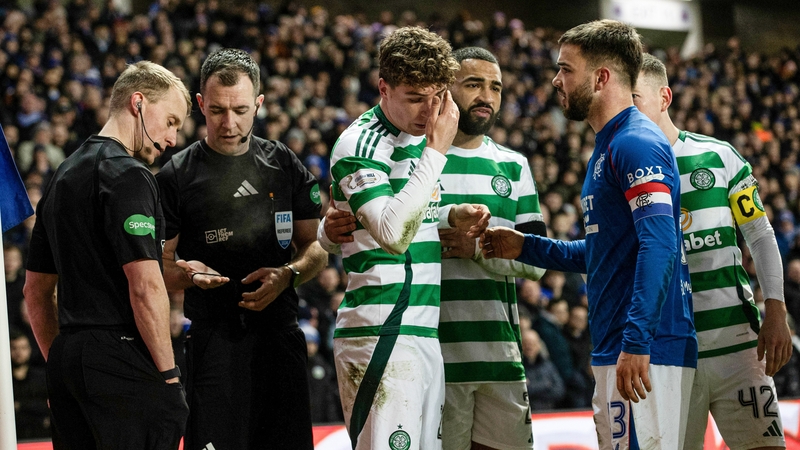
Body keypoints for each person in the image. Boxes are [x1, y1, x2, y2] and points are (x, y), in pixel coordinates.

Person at [479, 20, 697, 450]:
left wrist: (637, 341)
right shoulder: (609, 145)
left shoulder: (635, 142)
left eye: (566, 69)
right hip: (623, 346)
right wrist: (528, 247)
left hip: (643, 350)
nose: (556, 81)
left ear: (601, 78)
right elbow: (607, 252)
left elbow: (660, 244)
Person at [322, 46, 547, 450]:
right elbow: (392, 234)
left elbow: (409, 213)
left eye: (435, 98)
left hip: (424, 333)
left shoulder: (416, 141)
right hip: (383, 328)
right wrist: (438, 150)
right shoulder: (364, 143)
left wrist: (450, 215)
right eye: (414, 99)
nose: (427, 112)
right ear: (383, 89)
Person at [155, 48, 328, 450]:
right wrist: (189, 275)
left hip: (279, 337)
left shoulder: (283, 163)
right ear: (200, 104)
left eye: (240, 110)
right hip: (213, 341)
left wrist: (289, 275)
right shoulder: (176, 175)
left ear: (259, 106)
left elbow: (316, 247)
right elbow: (159, 266)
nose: (228, 123)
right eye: (216, 110)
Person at [24, 60, 190, 449]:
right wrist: (168, 377)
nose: (172, 138)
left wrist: (62, 367)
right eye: (170, 121)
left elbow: (35, 291)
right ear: (138, 103)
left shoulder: (61, 175)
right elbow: (145, 286)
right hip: (123, 358)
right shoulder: (129, 175)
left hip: (66, 356)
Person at [632, 52, 792, 450]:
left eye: (634, 99)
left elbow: (760, 233)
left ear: (664, 97)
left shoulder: (718, 156)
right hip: (666, 354)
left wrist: (775, 307)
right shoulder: (620, 169)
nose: (626, 112)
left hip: (738, 346)